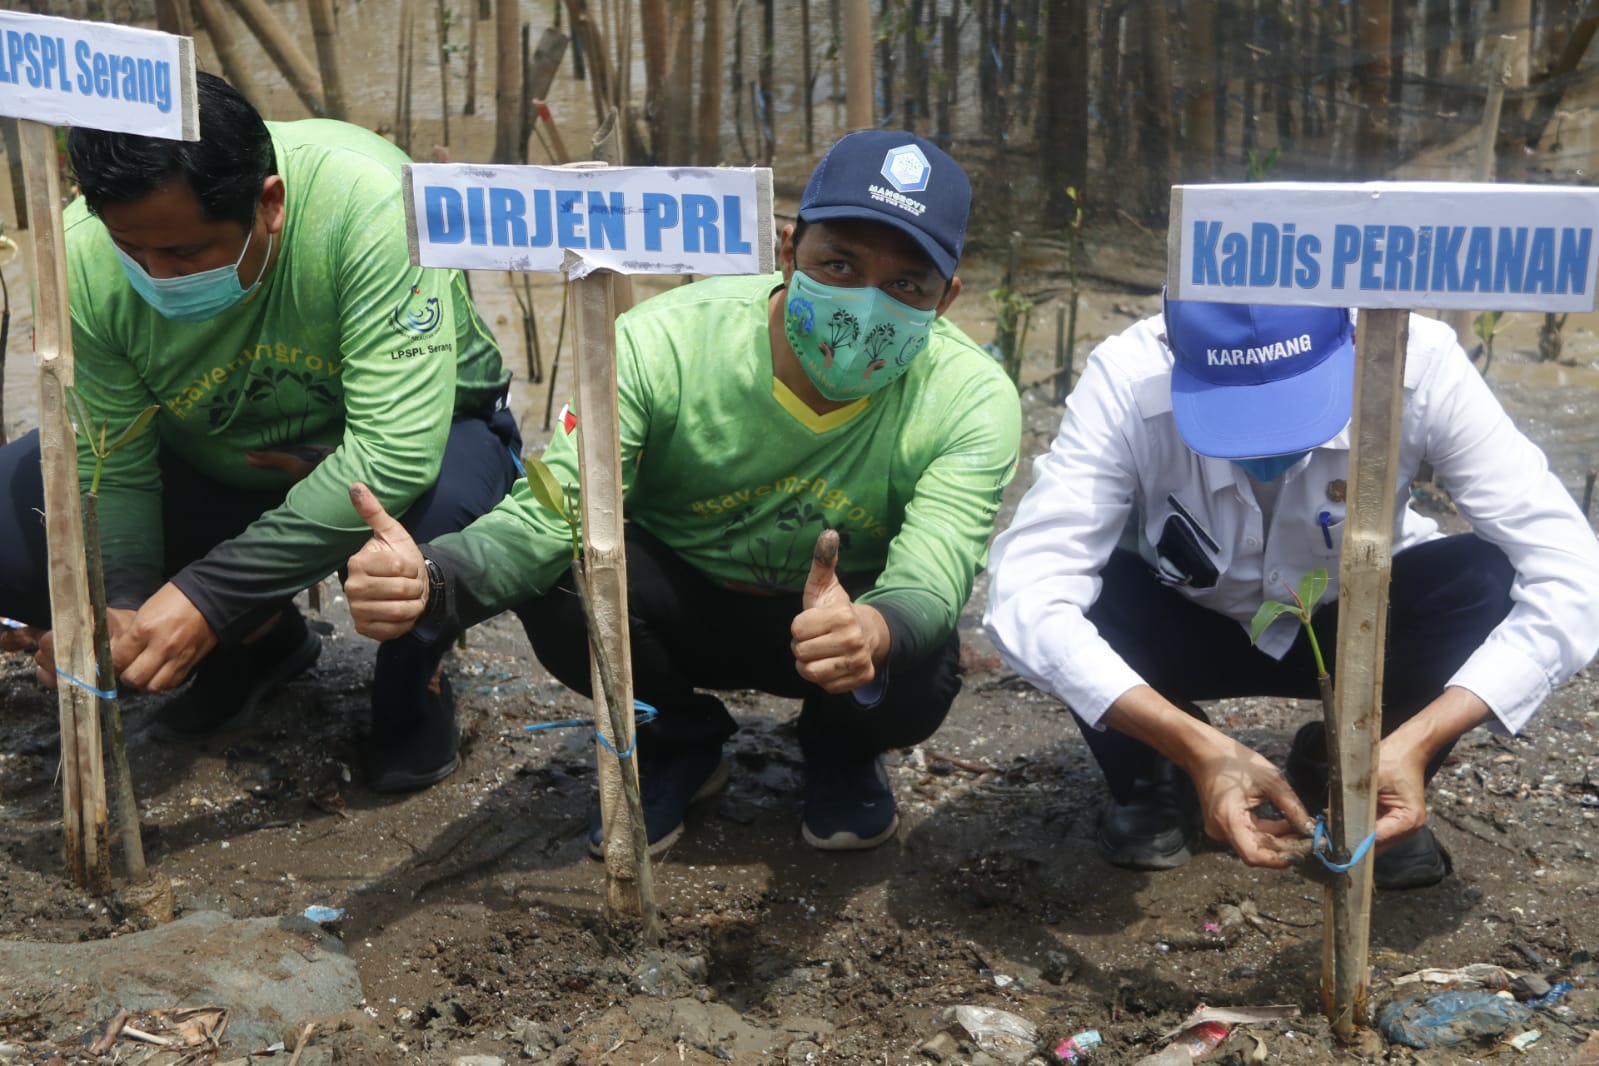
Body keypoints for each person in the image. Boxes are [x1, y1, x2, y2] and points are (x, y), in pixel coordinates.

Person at [343, 130, 1022, 853]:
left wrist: (873, 633)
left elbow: (935, 570)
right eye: (840, 264)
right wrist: (434, 578)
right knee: (568, 581)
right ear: (789, 252)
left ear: (945, 299)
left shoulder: (970, 398)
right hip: (681, 600)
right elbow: (553, 511)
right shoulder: (662, 343)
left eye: (905, 284)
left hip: (839, 610)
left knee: (920, 655)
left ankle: (840, 748)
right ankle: (676, 737)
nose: (864, 303)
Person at [0, 72, 521, 792]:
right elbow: (112, 459)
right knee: (20, 516)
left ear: (268, 204)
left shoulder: (370, 201)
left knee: (425, 537)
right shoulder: (84, 255)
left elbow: (394, 451)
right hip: (218, 456)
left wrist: (206, 598)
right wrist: (124, 605)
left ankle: (414, 682)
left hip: (415, 447)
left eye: (186, 255)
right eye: (133, 249)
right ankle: (255, 646)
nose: (157, 274)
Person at [984, 298, 1599, 889]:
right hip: (1187, 622)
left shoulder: (1414, 363)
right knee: (1093, 593)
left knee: (1482, 579)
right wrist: (1195, 746)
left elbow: (1573, 573)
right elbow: (1026, 593)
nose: (1265, 441)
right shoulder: (1129, 377)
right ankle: (1156, 773)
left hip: (1355, 624)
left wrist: (1426, 735)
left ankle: (1371, 768)